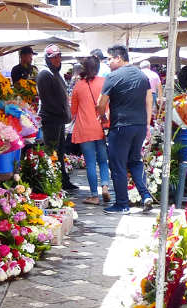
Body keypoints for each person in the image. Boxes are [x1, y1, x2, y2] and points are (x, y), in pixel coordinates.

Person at [98, 45, 154, 214]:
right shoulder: (142, 76)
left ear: (119, 58)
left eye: (109, 59)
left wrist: (103, 116)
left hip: (121, 126)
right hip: (139, 126)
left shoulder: (112, 77)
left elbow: (101, 103)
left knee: (118, 164)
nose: (108, 62)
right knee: (135, 161)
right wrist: (147, 124)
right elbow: (149, 101)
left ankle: (122, 204)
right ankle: (145, 195)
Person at [70, 49, 111, 206]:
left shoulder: (78, 86)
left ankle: (94, 195)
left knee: (90, 163)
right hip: (101, 127)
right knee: (103, 160)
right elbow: (109, 104)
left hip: (84, 129)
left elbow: (73, 111)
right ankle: (105, 186)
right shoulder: (104, 83)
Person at [36, 44, 75, 190]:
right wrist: (62, 112)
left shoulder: (56, 73)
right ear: (48, 59)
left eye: (59, 56)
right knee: (51, 151)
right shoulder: (45, 74)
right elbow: (48, 100)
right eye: (54, 57)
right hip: (51, 119)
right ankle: (50, 182)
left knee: (59, 151)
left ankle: (62, 179)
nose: (57, 59)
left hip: (58, 119)